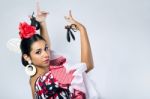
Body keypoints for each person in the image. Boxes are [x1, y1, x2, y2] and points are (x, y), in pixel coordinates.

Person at [19, 2, 99, 99]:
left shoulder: (33, 80)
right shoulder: (51, 78)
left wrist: (42, 23)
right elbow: (87, 66)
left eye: (46, 49)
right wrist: (82, 29)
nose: (46, 54)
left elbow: (45, 45)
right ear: (27, 57)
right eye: (38, 52)